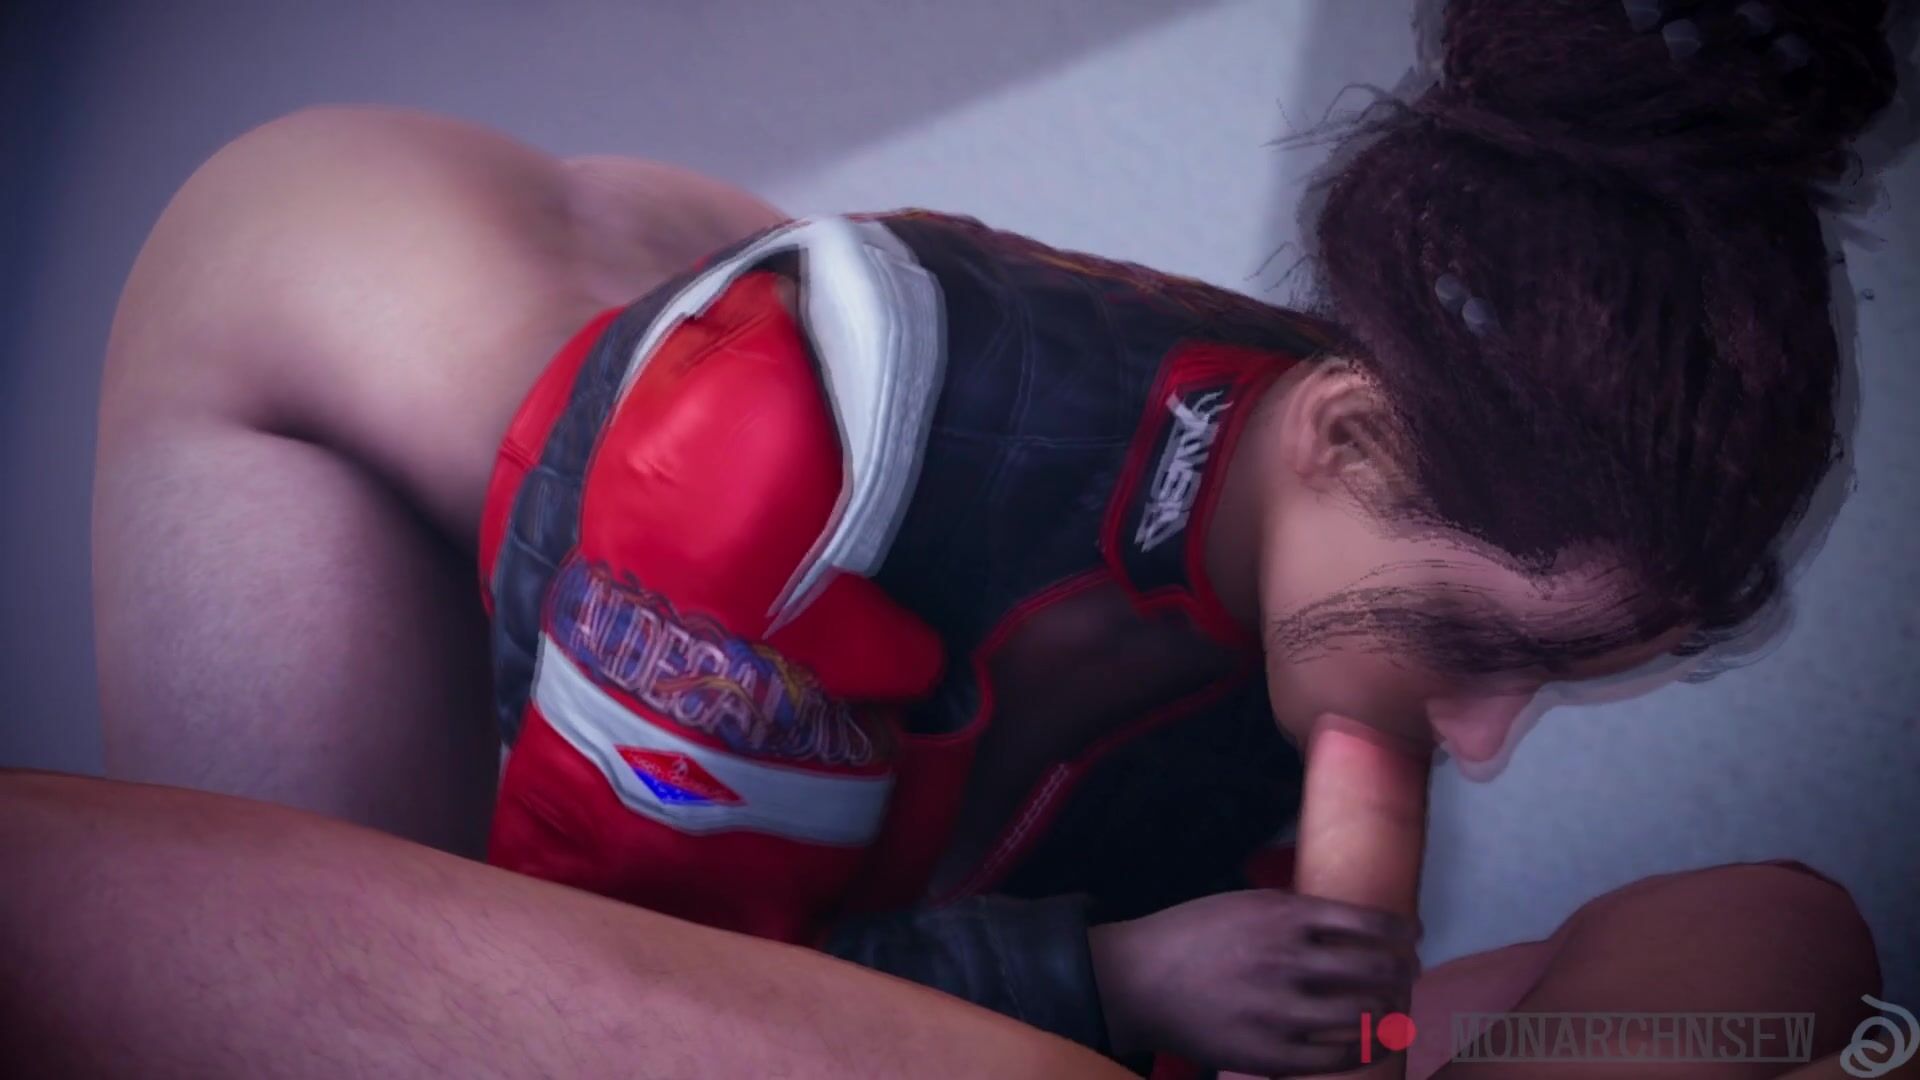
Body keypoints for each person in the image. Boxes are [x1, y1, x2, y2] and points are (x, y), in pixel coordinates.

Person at [77, 0, 1898, 1076]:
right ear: (1342, 435)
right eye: (1478, 651)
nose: (1483, 740)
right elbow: (616, 989)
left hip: (722, 337)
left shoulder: (1394, 473)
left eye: (1557, 674)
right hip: (326, 321)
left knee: (1782, 929)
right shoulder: (790, 454)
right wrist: (1110, 978)